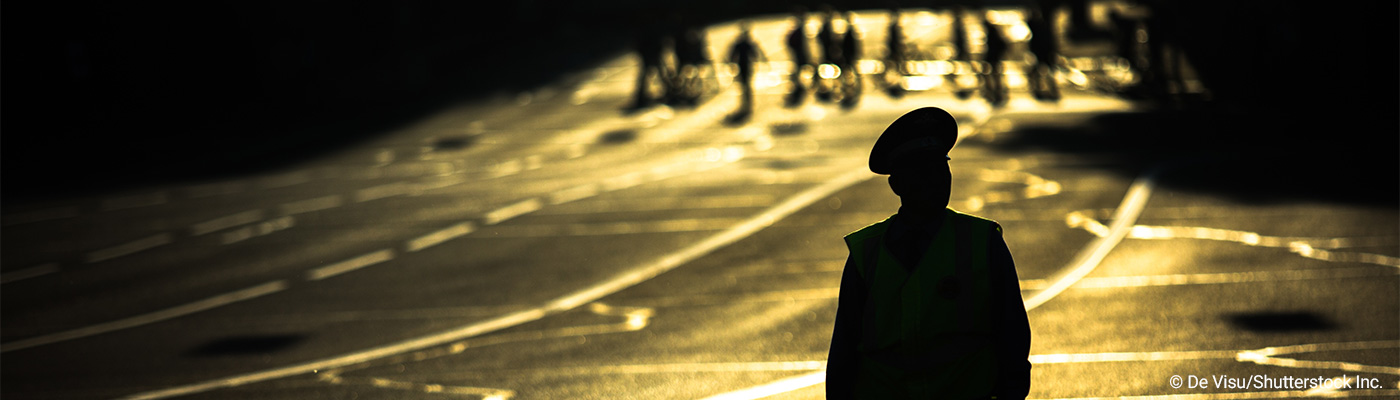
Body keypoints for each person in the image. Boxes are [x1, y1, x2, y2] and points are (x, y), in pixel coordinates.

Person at [827, 107, 1031, 399]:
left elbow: (1011, 330)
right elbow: (845, 348)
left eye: (941, 167)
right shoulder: (865, 251)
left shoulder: (982, 241)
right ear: (896, 184)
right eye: (921, 170)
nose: (935, 179)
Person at [726, 21, 764, 122]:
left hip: (745, 65)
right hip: (745, 65)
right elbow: (754, 52)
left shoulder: (743, 42)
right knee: (746, 84)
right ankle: (748, 100)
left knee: (746, 84)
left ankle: (747, 100)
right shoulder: (745, 42)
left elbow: (733, 54)